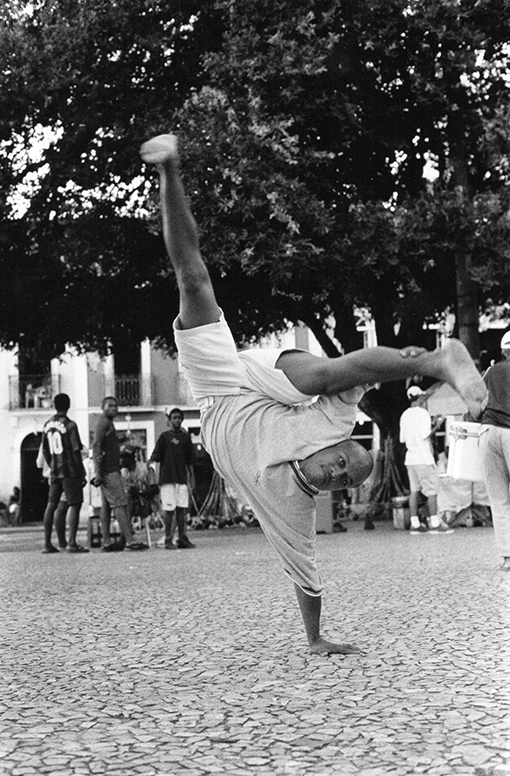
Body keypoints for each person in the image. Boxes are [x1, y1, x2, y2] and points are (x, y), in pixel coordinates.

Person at [140, 133, 487, 655]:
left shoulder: (293, 509)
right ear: (333, 445)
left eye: (343, 479)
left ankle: (167, 171)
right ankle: (444, 358)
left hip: (213, 397)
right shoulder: (328, 426)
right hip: (252, 381)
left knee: (190, 282)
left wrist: (316, 638)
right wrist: (414, 363)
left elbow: (306, 576)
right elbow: (350, 376)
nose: (337, 471)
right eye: (344, 460)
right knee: (321, 369)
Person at [91, 397, 149, 552]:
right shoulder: (103, 422)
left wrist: (120, 439)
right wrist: (97, 471)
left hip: (108, 468)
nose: (114, 408)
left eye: (116, 406)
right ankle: (130, 540)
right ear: (102, 407)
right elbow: (96, 445)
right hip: (109, 470)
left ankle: (107, 542)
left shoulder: (107, 423)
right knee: (120, 504)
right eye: (110, 406)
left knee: (106, 506)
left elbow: (105, 443)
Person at [399, 386, 453, 535]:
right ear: (420, 398)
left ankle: (415, 524)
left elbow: (403, 439)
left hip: (410, 458)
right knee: (432, 491)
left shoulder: (404, 415)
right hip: (423, 457)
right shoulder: (423, 413)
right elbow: (426, 435)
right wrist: (437, 425)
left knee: (414, 491)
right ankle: (434, 522)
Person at [41, 393, 88, 553]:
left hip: (55, 472)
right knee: (75, 504)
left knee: (51, 505)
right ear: (68, 405)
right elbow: (76, 450)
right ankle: (72, 543)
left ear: (55, 405)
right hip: (69, 471)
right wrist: (81, 472)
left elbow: (45, 451)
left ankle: (47, 543)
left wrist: (53, 466)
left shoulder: (47, 424)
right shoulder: (70, 425)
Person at [479, 331, 510, 571]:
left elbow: (475, 404)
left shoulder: (490, 372)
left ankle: (508, 557)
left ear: (503, 351)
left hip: (488, 432)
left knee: (499, 499)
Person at [148, 407, 196, 549]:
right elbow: (156, 455)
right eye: (174, 417)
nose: (177, 420)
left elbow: (190, 461)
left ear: (182, 420)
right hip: (167, 478)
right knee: (169, 511)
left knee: (182, 510)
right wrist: (150, 462)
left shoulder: (186, 438)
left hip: (182, 479)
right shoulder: (164, 437)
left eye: (179, 418)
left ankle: (182, 538)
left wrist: (192, 478)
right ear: (169, 420)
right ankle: (168, 539)